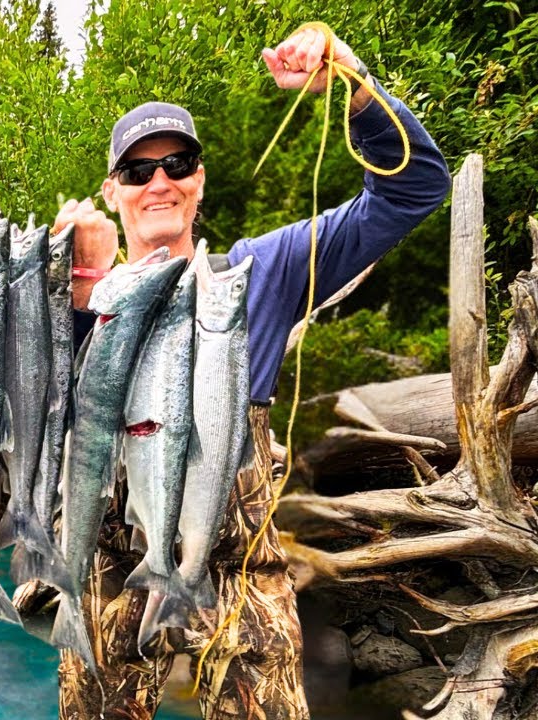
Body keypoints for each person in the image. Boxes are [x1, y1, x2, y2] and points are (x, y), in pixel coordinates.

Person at [49, 25, 450, 719]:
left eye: (177, 163)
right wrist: (76, 285)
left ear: (199, 179)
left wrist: (351, 81)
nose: (160, 182)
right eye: (139, 172)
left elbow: (413, 192)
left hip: (239, 570)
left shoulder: (258, 273)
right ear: (112, 192)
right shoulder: (81, 294)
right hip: (112, 562)